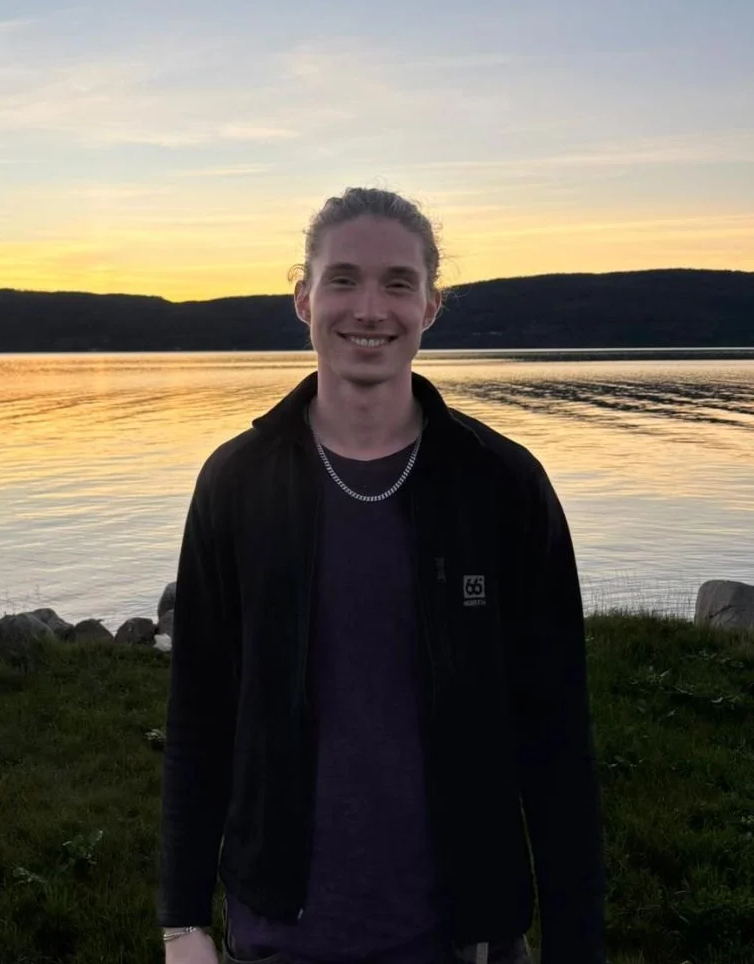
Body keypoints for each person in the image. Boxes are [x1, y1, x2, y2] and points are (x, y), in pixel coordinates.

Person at [156, 187, 607, 964]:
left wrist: (576, 944)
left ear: (431, 305)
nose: (370, 308)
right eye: (343, 280)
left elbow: (556, 734)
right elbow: (200, 712)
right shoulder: (235, 483)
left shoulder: (502, 484)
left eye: (399, 282)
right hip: (278, 929)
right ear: (303, 298)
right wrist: (183, 922)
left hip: (465, 934)